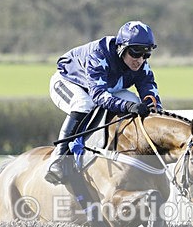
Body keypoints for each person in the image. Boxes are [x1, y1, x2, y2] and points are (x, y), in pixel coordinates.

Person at [45, 20, 163, 184]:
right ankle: (58, 158)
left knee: (135, 101)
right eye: (135, 53)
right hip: (68, 82)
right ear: (122, 48)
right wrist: (129, 106)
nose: (140, 60)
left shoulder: (141, 64)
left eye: (146, 55)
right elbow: (99, 96)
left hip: (103, 88)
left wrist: (153, 106)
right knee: (84, 104)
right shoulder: (100, 53)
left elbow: (149, 88)